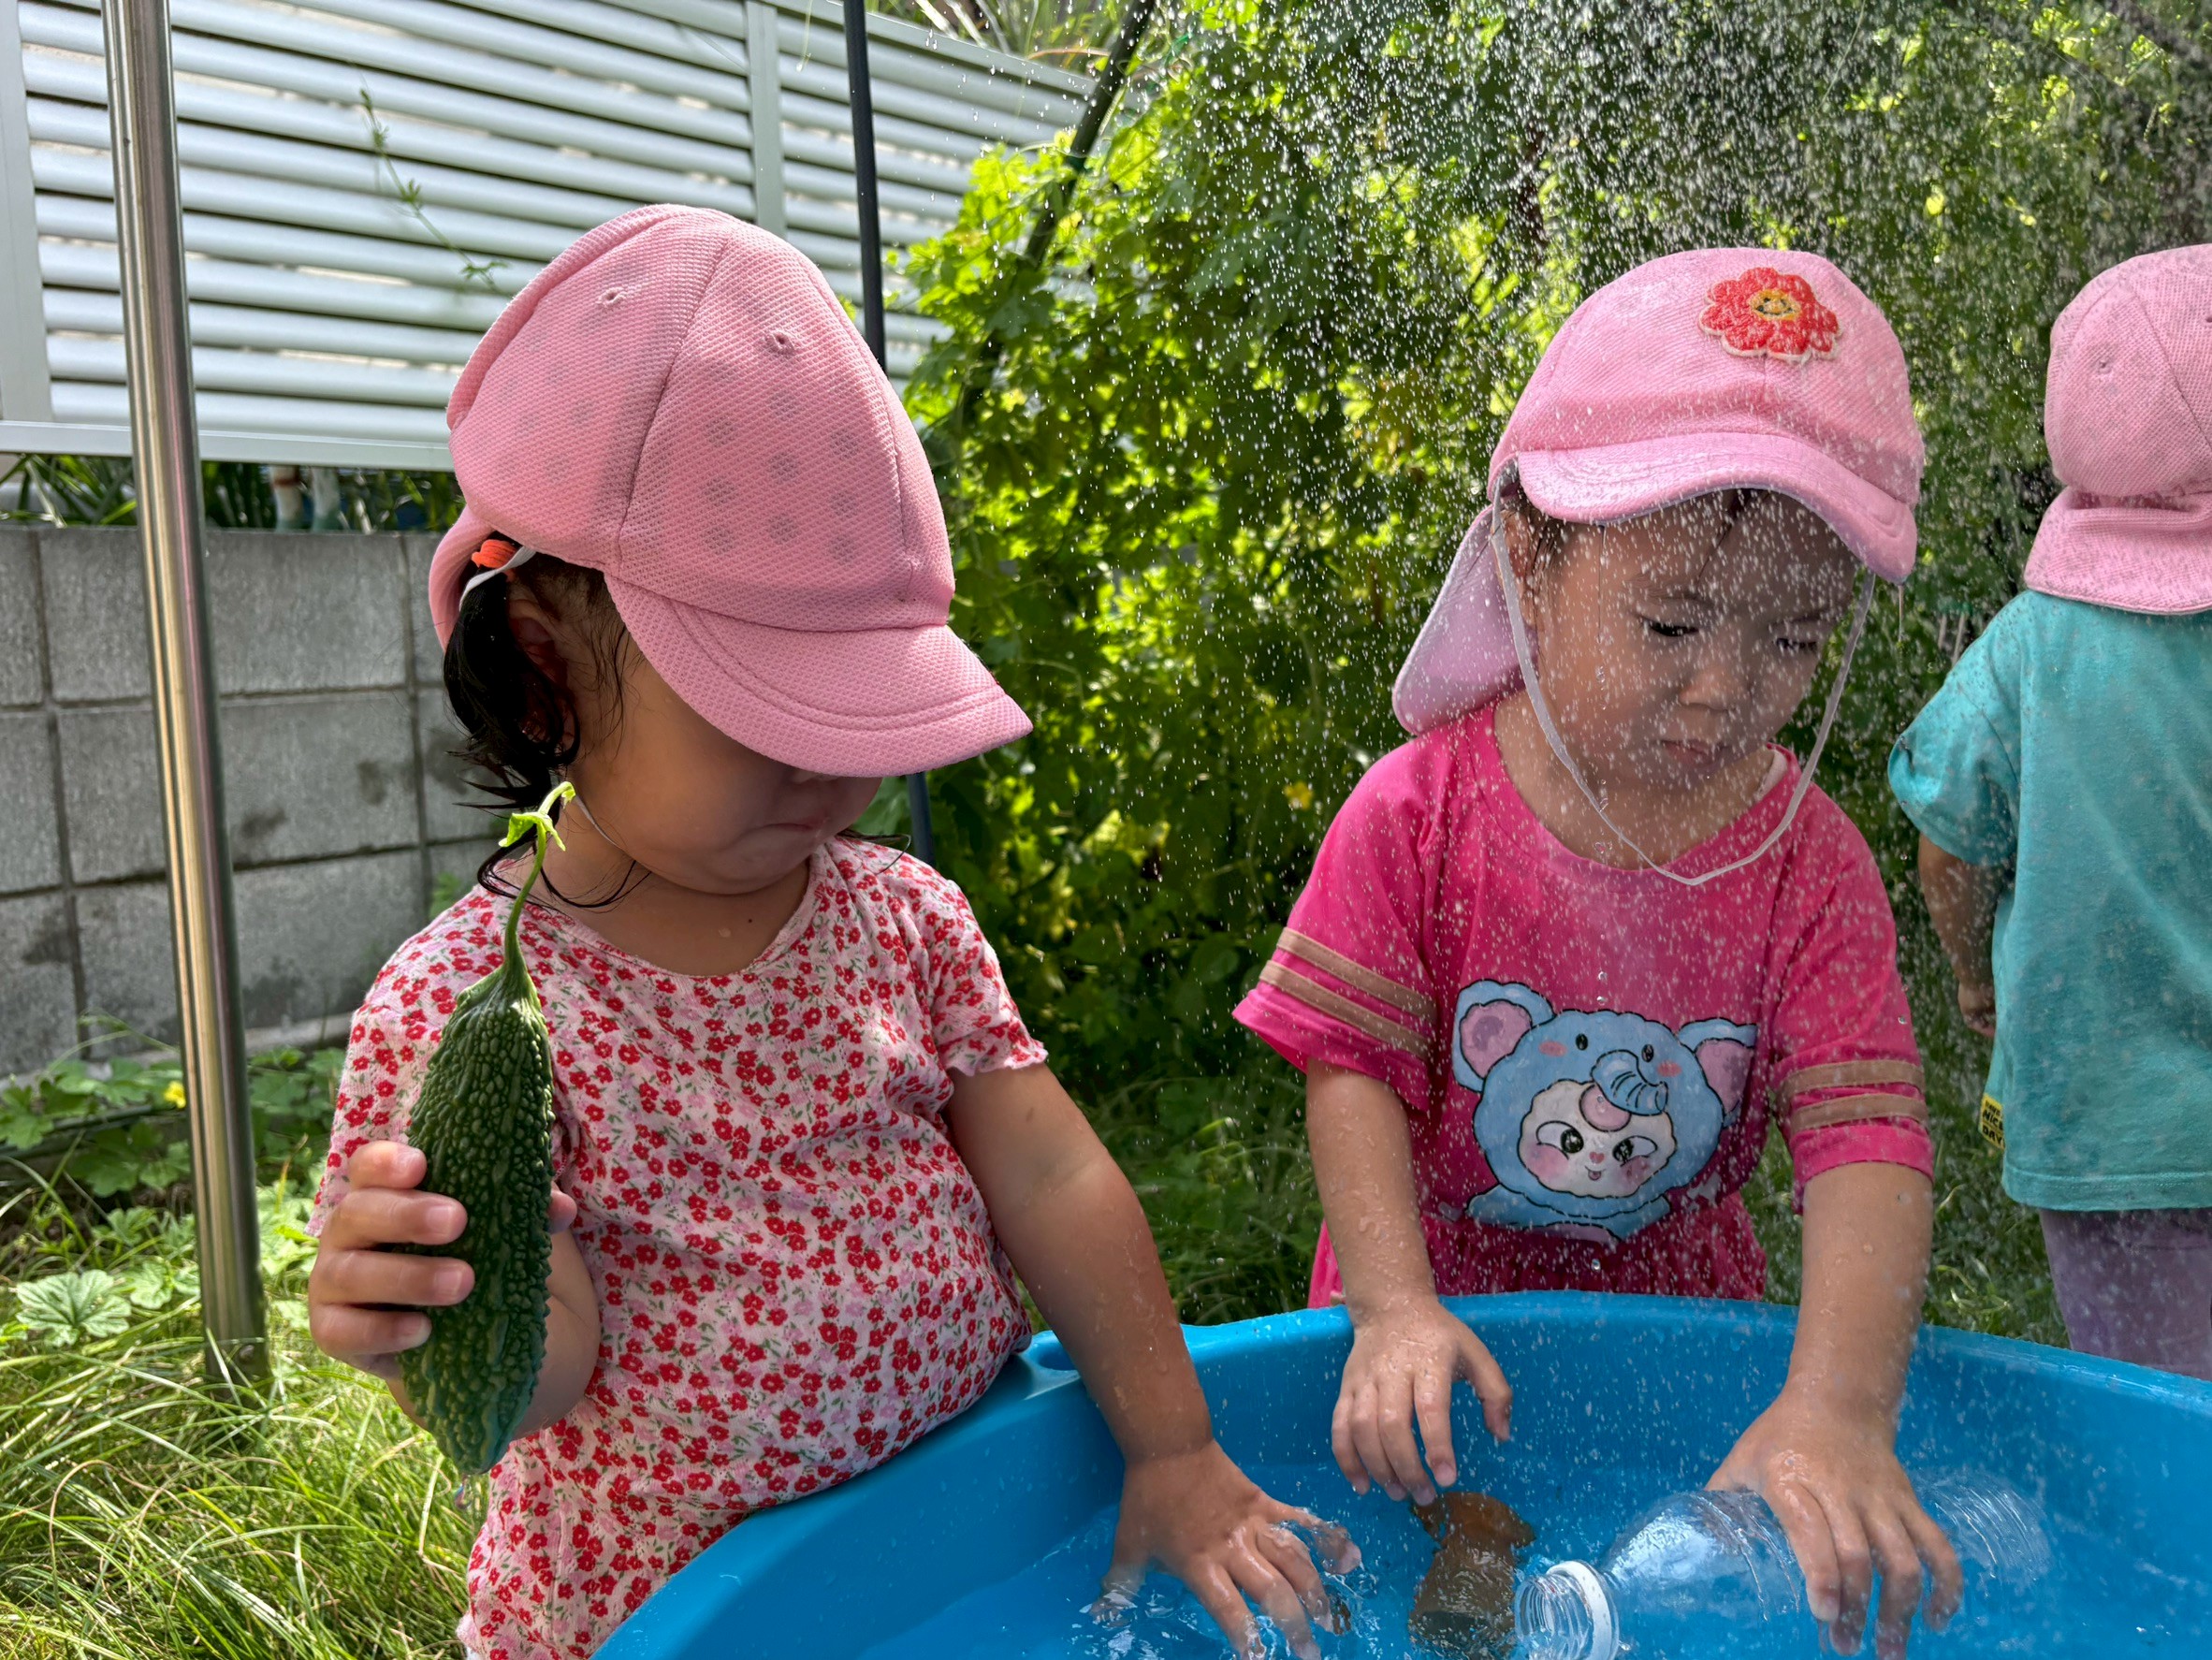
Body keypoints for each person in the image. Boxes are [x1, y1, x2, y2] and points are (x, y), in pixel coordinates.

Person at [305, 206, 1352, 1660]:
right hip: (677, 1611)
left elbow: (1052, 1172)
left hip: (961, 1543)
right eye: (763, 707)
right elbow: (537, 1382)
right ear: (543, 653)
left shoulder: (903, 919)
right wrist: (434, 1317)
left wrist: (1172, 1447)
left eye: (857, 705)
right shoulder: (476, 1009)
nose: (827, 764)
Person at [1235, 251, 1964, 1660]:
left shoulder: (1809, 866)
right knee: (1457, 1586)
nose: (1725, 683)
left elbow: (1866, 1138)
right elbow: (1355, 1074)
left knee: (1683, 1593)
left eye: (1793, 636)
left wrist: (1837, 1405)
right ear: (1528, 554)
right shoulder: (1421, 813)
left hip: (1694, 1328)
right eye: (1673, 622)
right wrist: (1391, 1308)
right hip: (1445, 1316)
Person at [1891, 243, 2212, 1382]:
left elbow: (1949, 847)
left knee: (2156, 1421)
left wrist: (1974, 973)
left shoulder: (2033, 648)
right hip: (2109, 1123)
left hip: (2103, 1119)